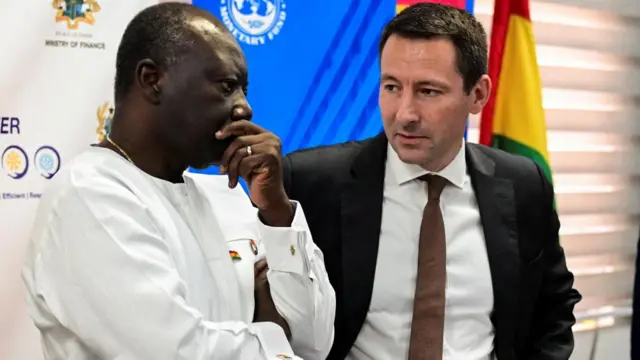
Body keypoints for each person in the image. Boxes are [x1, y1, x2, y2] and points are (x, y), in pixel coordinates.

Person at [22, 3, 335, 360]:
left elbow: (314, 341)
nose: (244, 108)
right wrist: (272, 334)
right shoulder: (89, 195)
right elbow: (177, 351)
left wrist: (277, 211)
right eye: (227, 86)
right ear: (152, 80)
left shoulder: (227, 195)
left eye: (244, 90)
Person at [282, 3, 581, 360]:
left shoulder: (523, 185)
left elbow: (553, 307)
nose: (404, 114)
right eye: (392, 87)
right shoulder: (311, 183)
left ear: (478, 95)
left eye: (428, 91)